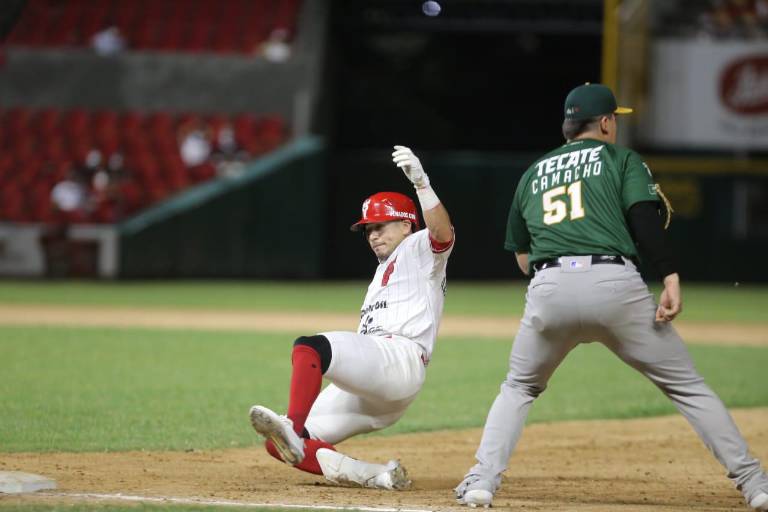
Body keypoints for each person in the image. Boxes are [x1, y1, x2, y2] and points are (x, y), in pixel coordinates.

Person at [454, 83, 768, 510]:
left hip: (549, 289)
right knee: (688, 388)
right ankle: (755, 485)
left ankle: (480, 482)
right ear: (604, 122)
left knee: (519, 387)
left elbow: (524, 259)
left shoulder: (534, 172)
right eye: (614, 118)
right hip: (613, 284)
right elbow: (642, 217)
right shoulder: (620, 159)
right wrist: (670, 275)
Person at [249, 145, 454, 490]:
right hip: (378, 390)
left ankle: (292, 424)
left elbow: (443, 233)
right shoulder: (381, 273)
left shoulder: (420, 249)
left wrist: (422, 183)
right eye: (367, 230)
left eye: (380, 226)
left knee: (310, 349)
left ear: (406, 226)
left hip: (398, 359)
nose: (372, 235)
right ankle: (375, 475)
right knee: (279, 446)